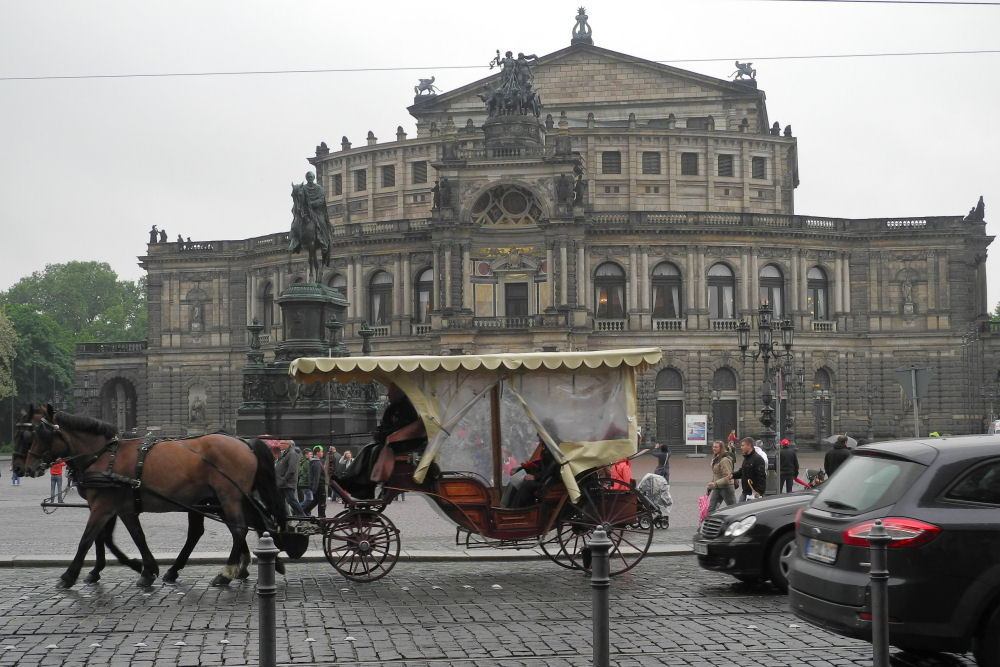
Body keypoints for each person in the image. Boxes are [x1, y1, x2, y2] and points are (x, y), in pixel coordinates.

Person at [502, 439, 558, 508]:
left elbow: (550, 470)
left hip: (548, 483)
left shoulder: (553, 451)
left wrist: (535, 477)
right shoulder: (546, 448)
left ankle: (515, 509)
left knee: (527, 484)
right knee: (516, 480)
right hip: (542, 478)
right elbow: (542, 466)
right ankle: (508, 507)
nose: (538, 438)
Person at [274, 440, 305, 516]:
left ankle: (302, 516)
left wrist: (284, 479)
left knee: (291, 500)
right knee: (280, 501)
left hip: (287, 483)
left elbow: (292, 469)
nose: (279, 445)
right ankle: (283, 517)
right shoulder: (285, 453)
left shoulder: (292, 453)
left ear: (287, 444)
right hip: (282, 483)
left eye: (281, 443)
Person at [706, 440, 737, 512]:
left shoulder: (725, 460)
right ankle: (710, 523)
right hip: (717, 487)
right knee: (711, 509)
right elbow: (716, 474)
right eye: (713, 447)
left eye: (716, 447)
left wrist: (715, 483)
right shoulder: (716, 458)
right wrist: (709, 487)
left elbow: (728, 477)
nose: (714, 448)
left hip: (727, 488)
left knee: (733, 509)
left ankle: (737, 522)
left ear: (721, 448)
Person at [302, 446, 326, 516]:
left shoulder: (314, 461)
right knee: (322, 503)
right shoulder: (316, 463)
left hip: (317, 486)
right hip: (319, 486)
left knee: (315, 501)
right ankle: (321, 518)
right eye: (321, 452)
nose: (322, 453)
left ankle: (304, 511)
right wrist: (314, 489)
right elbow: (316, 477)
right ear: (317, 453)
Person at [297, 448, 314, 512]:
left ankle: (306, 512)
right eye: (310, 454)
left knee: (308, 499)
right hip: (305, 483)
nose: (311, 455)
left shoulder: (302, 461)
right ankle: (296, 508)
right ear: (306, 455)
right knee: (310, 499)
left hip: (302, 482)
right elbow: (308, 474)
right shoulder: (307, 462)